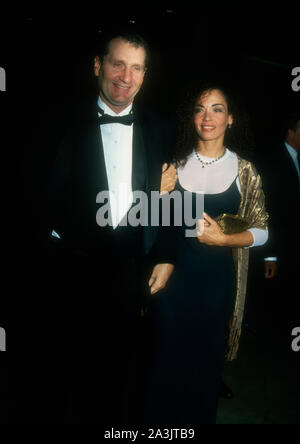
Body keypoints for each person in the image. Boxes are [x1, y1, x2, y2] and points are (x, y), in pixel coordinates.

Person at [18, 31, 176, 425]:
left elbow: (169, 198)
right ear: (97, 66)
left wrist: (166, 255)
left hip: (127, 272)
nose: (126, 76)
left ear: (145, 75)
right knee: (54, 379)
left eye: (136, 67)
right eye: (117, 63)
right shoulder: (54, 120)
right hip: (66, 269)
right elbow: (27, 193)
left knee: (113, 380)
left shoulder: (160, 128)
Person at [142, 83, 269, 425]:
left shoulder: (245, 171)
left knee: (203, 371)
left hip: (215, 287)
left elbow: (262, 231)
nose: (208, 116)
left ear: (230, 119)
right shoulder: (172, 166)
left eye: (217, 108)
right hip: (171, 284)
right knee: (163, 369)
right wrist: (156, 193)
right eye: (200, 108)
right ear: (192, 117)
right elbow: (152, 226)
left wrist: (223, 241)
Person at [257, 111, 300, 331]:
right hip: (280, 245)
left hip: (295, 246)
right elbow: (267, 210)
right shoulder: (272, 162)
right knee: (276, 297)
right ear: (291, 132)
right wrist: (270, 254)